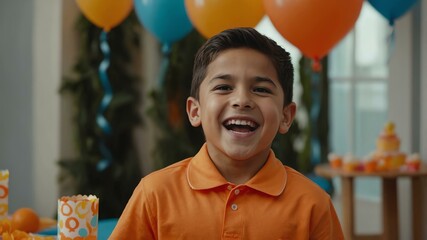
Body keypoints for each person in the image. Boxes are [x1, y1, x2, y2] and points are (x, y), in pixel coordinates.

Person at [110, 27, 344, 239]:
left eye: (261, 89)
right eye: (223, 87)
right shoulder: (155, 195)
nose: (242, 100)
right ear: (195, 111)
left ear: (286, 117)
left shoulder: (313, 204)